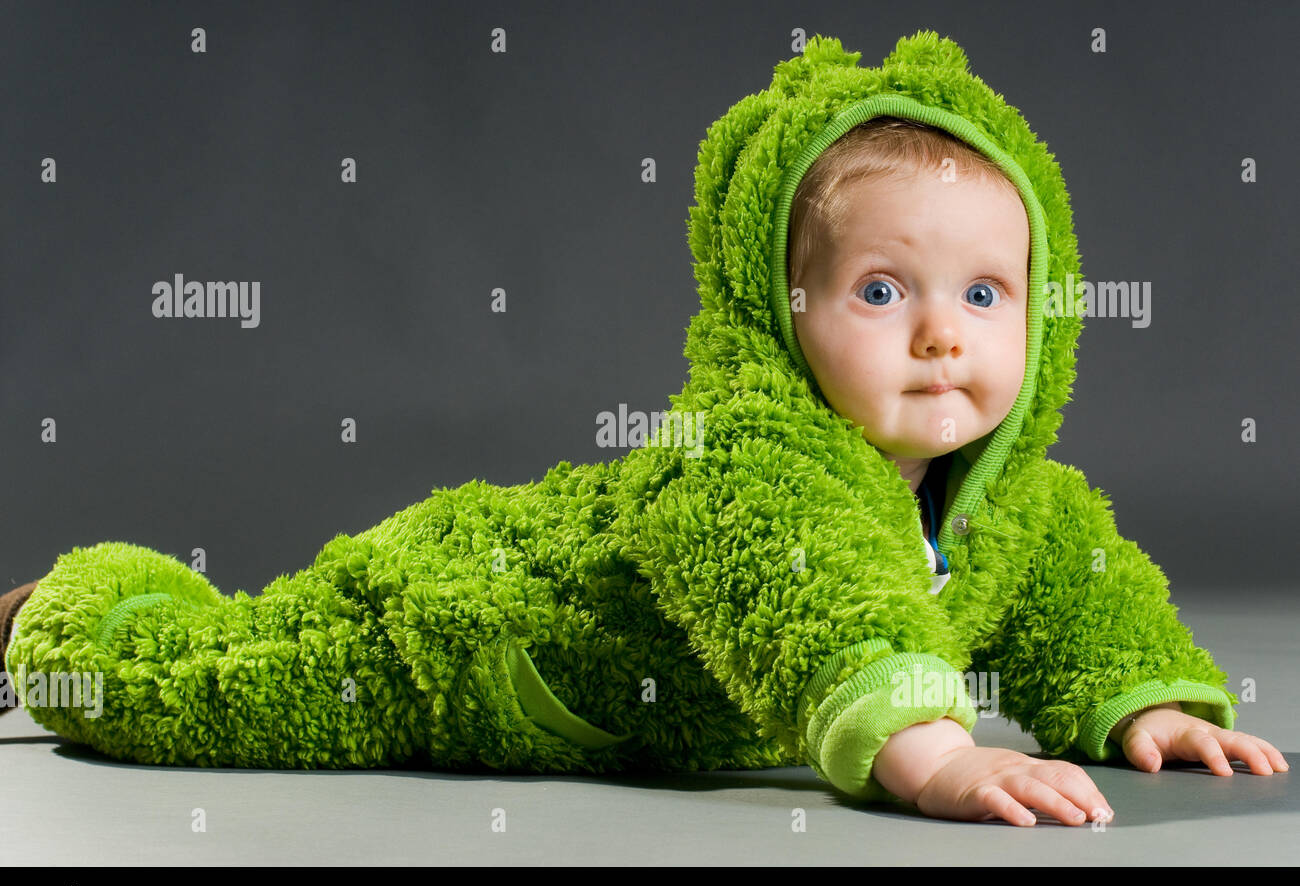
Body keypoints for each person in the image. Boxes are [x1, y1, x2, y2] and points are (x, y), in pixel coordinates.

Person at [1, 31, 1285, 827]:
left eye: (985, 294)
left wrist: (1141, 703)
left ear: (1040, 312)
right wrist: (932, 760)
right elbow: (825, 605)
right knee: (207, 687)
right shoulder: (738, 466)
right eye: (881, 291)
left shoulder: (1017, 503)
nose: (940, 334)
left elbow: (1078, 593)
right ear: (780, 312)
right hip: (468, 622)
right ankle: (59, 611)